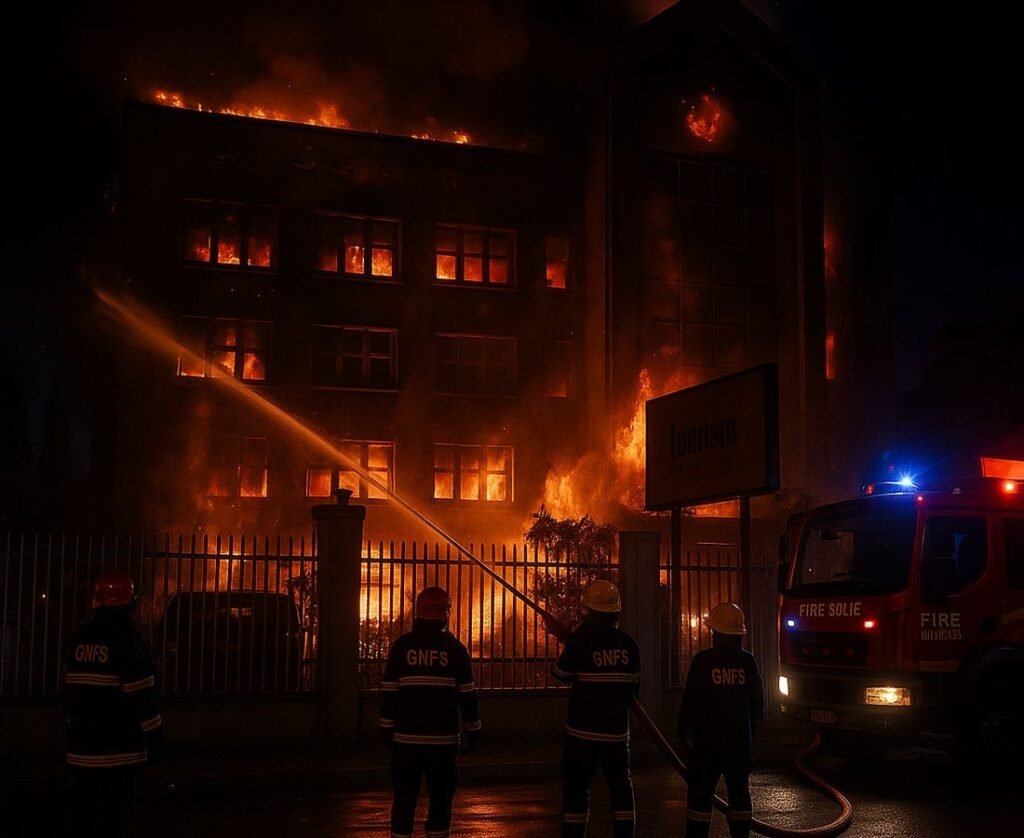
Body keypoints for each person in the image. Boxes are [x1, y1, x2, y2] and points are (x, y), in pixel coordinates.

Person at [64, 570, 163, 838]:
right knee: (113, 822)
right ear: (130, 602)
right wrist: (155, 743)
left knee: (85, 822)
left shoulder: (80, 636)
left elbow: (70, 692)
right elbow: (142, 698)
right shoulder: (128, 639)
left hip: (80, 754)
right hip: (119, 754)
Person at [380, 586, 480, 838]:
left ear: (418, 611)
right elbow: (468, 696)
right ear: (446, 614)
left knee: (404, 800)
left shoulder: (402, 647)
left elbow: (389, 692)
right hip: (443, 742)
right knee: (440, 804)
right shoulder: (456, 650)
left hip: (405, 741)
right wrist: (474, 731)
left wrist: (386, 729)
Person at [551, 579, 641, 838]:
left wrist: (568, 640)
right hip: (616, 735)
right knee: (621, 791)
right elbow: (634, 690)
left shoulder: (581, 641)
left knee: (576, 791)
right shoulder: (629, 644)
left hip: (582, 735)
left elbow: (560, 673)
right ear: (616, 612)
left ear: (590, 611)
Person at [678, 602, 764, 838]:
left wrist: (683, 734)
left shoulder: (702, 661)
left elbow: (690, 702)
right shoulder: (748, 663)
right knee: (739, 796)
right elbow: (758, 706)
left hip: (706, 747)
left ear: (715, 632)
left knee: (699, 799)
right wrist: (749, 736)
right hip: (738, 745)